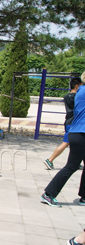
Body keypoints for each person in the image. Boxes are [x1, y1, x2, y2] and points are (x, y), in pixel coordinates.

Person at [40, 71, 85, 207]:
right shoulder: (82, 91)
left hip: (79, 132)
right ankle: (48, 194)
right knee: (71, 166)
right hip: (80, 134)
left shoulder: (80, 90)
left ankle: (84, 197)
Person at [44, 77, 83, 170]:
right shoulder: (76, 97)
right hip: (73, 124)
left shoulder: (67, 96)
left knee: (75, 145)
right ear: (76, 86)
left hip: (69, 122)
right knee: (66, 143)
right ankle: (50, 160)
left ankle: (76, 163)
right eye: (82, 86)